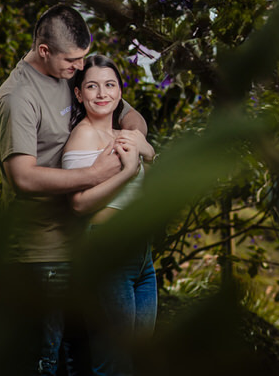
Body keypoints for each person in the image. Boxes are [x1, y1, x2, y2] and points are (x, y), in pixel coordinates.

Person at [0, 4, 149, 376]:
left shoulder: (66, 75)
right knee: (45, 360)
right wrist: (96, 173)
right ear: (44, 51)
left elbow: (127, 111)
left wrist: (137, 140)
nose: (79, 67)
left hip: (81, 246)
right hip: (41, 254)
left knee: (84, 360)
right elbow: (23, 177)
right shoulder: (17, 98)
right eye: (73, 60)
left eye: (82, 59)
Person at [62, 54, 157, 376]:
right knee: (113, 363)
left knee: (139, 356)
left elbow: (151, 159)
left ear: (120, 91)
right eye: (92, 86)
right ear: (79, 94)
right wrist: (127, 172)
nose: (102, 93)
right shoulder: (83, 136)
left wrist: (146, 150)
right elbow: (78, 204)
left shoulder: (122, 134)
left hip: (141, 256)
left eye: (109, 85)